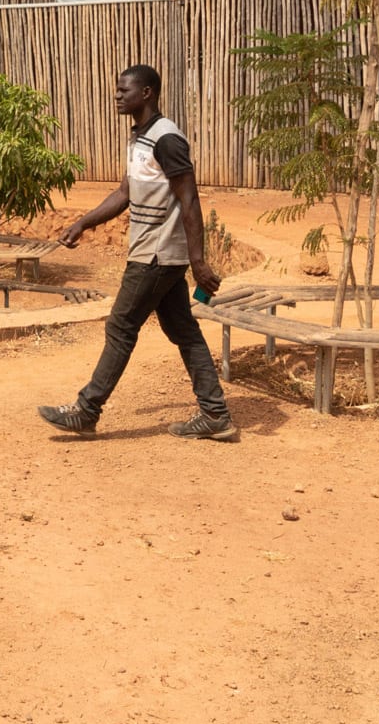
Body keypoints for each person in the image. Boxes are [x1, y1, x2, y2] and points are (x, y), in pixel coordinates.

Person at [37, 64, 237, 441]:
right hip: (154, 252)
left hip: (156, 254)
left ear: (146, 93)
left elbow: (190, 200)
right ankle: (215, 415)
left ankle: (87, 410)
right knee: (183, 330)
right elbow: (124, 194)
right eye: (117, 89)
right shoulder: (139, 137)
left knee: (121, 327)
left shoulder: (167, 139)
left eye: (124, 90)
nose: (117, 95)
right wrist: (83, 223)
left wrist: (198, 261)